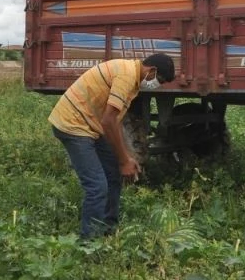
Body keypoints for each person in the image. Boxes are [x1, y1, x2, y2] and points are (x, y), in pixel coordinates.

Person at [49, 53, 175, 239]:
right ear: (152, 70)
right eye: (160, 80)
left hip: (91, 125)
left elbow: (114, 121)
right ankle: (89, 243)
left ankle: (107, 228)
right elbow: (108, 121)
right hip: (73, 125)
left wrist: (125, 156)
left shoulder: (132, 76)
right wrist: (124, 160)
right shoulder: (126, 76)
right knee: (97, 186)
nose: (157, 84)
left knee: (113, 173)